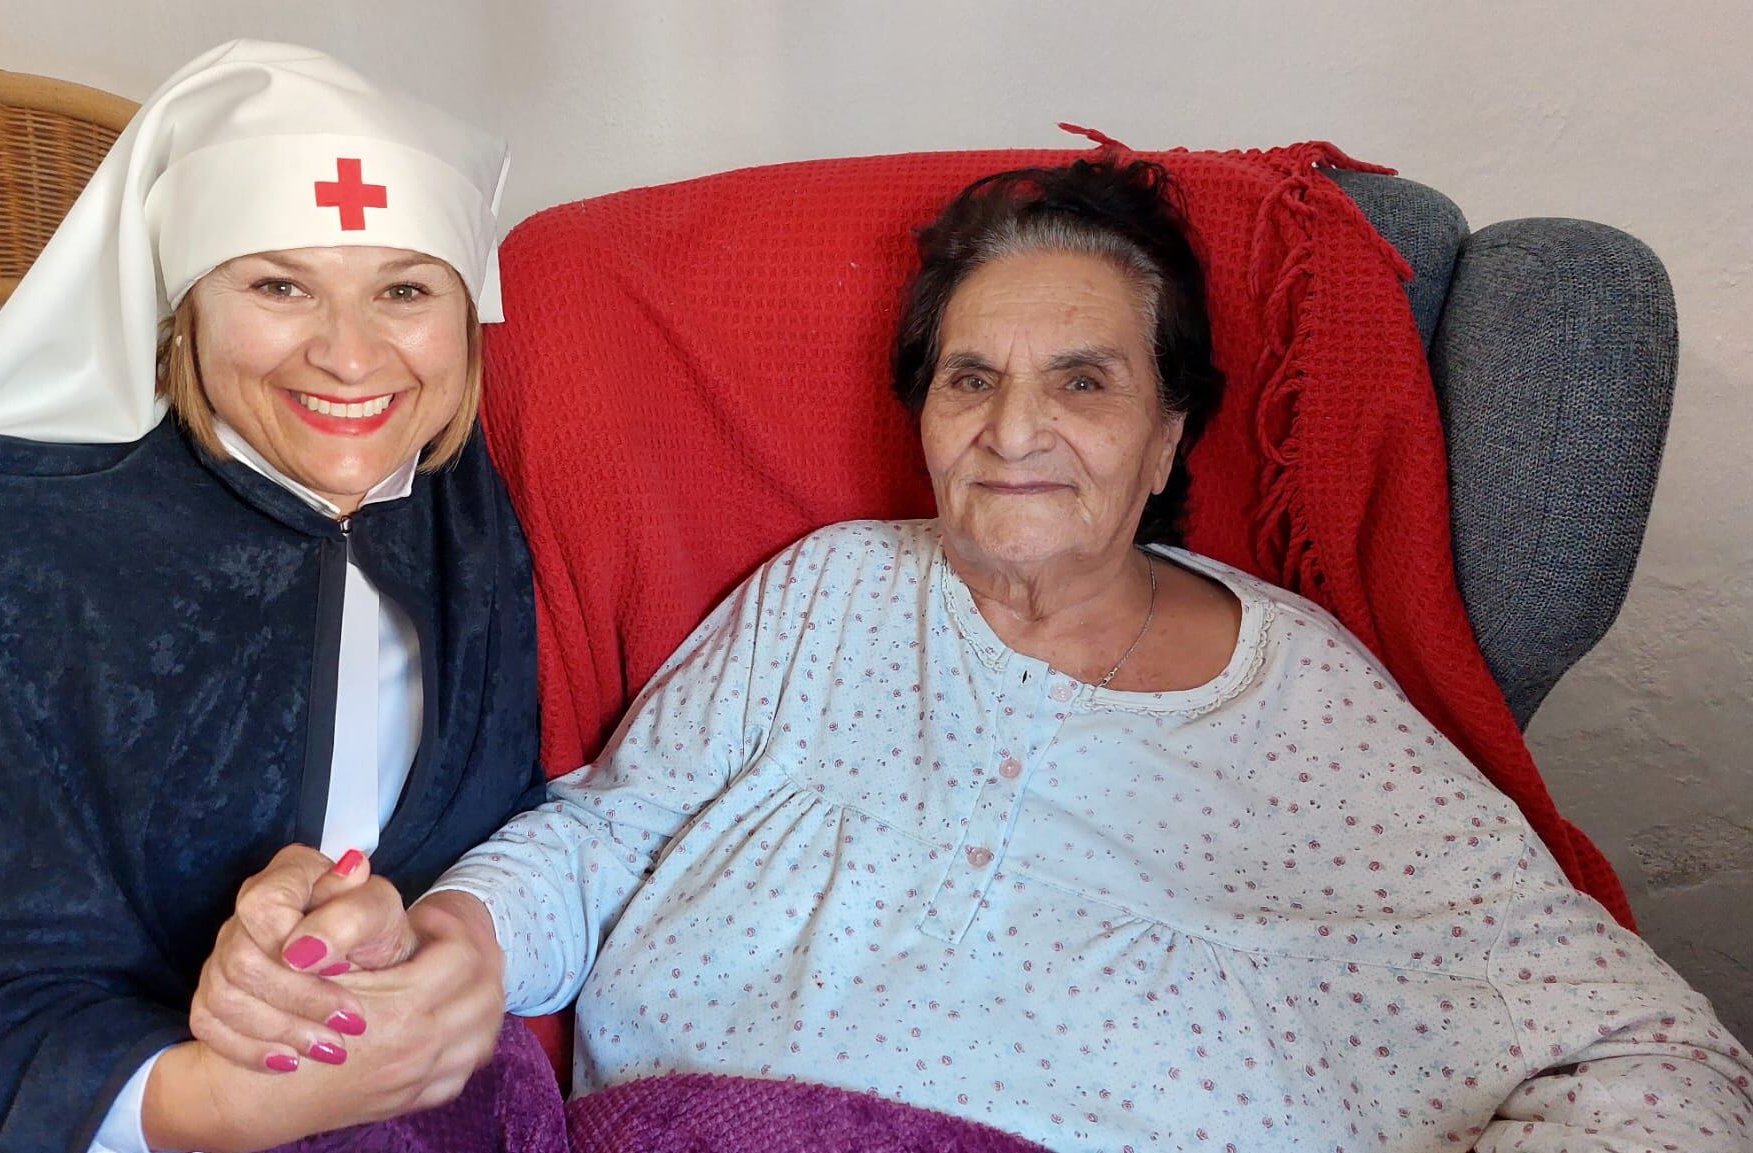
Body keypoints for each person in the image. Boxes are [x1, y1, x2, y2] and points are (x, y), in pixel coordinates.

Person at [206, 157, 1753, 1151]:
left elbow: (1649, 1052)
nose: (1014, 434)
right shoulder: (826, 589)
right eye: (969, 379)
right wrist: (457, 937)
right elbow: (604, 837)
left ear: (1168, 437)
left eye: (1082, 382)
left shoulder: (1294, 689)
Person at [0, 40, 541, 1152]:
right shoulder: (5, 540)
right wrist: (216, 1102)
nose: (350, 355)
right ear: (184, 304)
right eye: (279, 284)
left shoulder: (456, 505)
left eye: (402, 289)